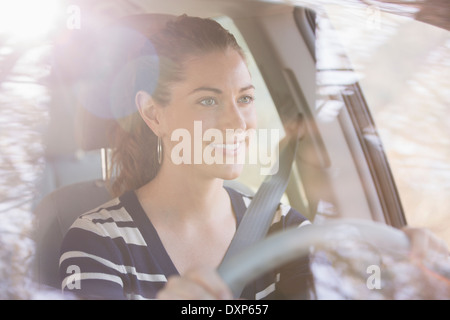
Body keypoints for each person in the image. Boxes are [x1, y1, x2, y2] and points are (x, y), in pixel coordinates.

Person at [59, 14, 311, 300]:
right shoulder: (98, 242)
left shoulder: (286, 231)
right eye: (208, 100)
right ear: (154, 114)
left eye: (244, 98)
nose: (238, 123)